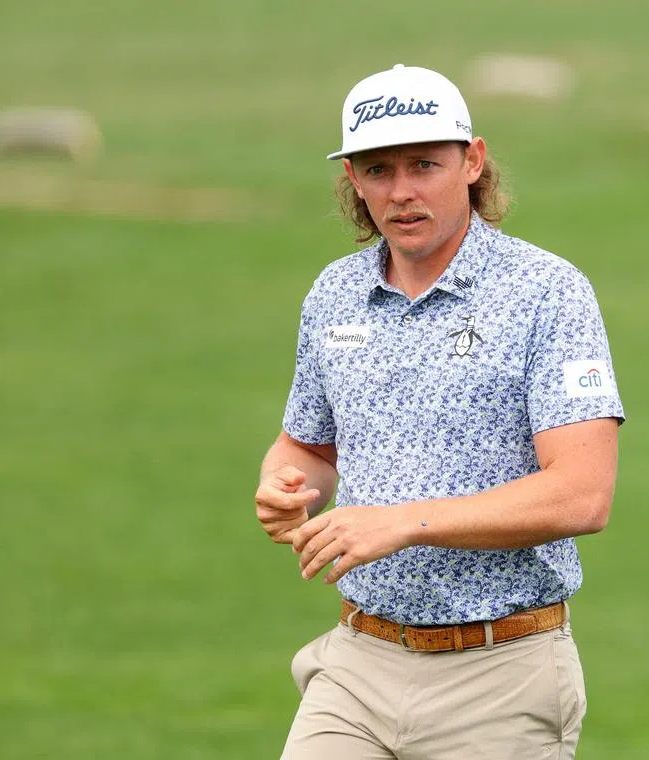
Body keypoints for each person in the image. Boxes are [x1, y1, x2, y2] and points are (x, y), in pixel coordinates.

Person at [254, 63, 625, 760]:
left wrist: (404, 523)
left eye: (425, 164)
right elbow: (308, 447)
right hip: (358, 665)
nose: (401, 191)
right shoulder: (334, 296)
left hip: (501, 676)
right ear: (353, 181)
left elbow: (583, 494)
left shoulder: (546, 293)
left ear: (472, 162)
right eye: (377, 169)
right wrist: (283, 483)